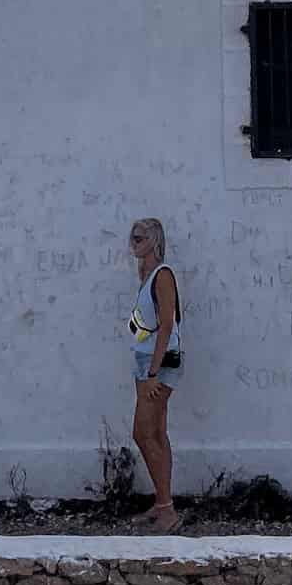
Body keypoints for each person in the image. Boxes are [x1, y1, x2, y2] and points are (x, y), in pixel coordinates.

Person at [126, 216, 182, 532]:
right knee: (157, 432)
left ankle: (167, 510)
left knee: (143, 433)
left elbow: (167, 327)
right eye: (132, 238)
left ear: (154, 241)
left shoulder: (163, 275)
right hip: (145, 359)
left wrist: (153, 372)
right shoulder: (146, 275)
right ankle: (163, 505)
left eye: (139, 238)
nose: (133, 243)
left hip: (159, 362)